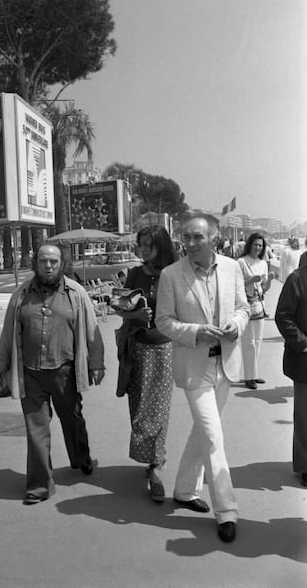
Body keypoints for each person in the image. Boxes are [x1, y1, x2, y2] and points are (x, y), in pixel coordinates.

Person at [155, 213, 249, 543]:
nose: (190, 243)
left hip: (225, 364)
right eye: (186, 237)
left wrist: (236, 325)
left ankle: (183, 489)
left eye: (197, 237)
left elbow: (244, 307)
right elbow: (163, 321)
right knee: (212, 435)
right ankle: (227, 511)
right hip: (194, 368)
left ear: (214, 238)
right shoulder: (170, 275)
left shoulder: (232, 267)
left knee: (202, 431)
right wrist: (196, 332)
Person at [0, 243, 105, 505]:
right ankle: (39, 486)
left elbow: (92, 329)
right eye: (43, 261)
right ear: (36, 264)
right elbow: (8, 333)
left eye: (54, 262)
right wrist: (1, 367)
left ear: (62, 264)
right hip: (31, 374)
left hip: (65, 372)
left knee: (73, 419)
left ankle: (81, 457)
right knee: (36, 431)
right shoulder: (21, 295)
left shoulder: (76, 293)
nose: (48, 266)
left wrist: (96, 363)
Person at [115, 226, 178, 503]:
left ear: (161, 246)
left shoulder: (175, 274)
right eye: (140, 245)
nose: (142, 250)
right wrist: (136, 313)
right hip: (138, 348)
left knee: (159, 409)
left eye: (148, 246)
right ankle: (150, 459)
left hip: (165, 349)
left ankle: (156, 466)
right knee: (140, 406)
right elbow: (118, 305)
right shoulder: (135, 273)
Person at [275, 261, 307, 487]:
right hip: (305, 360)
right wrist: (303, 343)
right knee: (305, 418)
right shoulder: (297, 279)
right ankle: (305, 466)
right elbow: (283, 316)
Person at [237, 232, 274, 389]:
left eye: (260, 245)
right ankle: (249, 376)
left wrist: (270, 280)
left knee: (258, 341)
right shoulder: (241, 262)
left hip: (259, 305)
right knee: (248, 342)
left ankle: (254, 373)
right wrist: (251, 280)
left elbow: (264, 288)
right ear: (249, 244)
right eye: (255, 245)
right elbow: (236, 284)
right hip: (245, 305)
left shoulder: (263, 263)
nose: (258, 248)